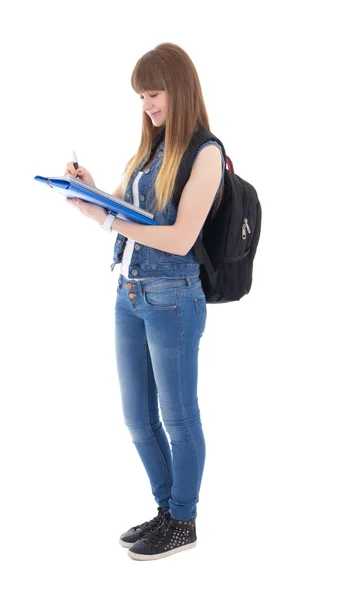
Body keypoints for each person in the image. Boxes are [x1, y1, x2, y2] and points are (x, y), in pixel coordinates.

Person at [64, 42, 225, 561]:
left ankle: (184, 520)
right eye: (141, 96)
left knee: (178, 417)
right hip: (130, 294)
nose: (147, 105)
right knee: (138, 418)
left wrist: (106, 220)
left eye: (153, 94)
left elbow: (178, 239)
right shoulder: (153, 150)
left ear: (177, 89)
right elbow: (133, 210)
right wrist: (94, 193)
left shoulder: (206, 153)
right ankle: (166, 512)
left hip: (174, 297)